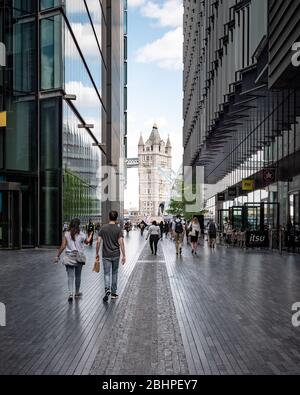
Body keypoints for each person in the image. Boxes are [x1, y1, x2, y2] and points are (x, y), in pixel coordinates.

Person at [55, 218, 93, 302]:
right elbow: (87, 242)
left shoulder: (66, 234)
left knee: (70, 276)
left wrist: (57, 256)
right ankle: (77, 292)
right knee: (78, 276)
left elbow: (63, 246)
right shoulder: (82, 234)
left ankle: (70, 294)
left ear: (71, 224)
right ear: (79, 225)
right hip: (79, 256)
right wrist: (90, 236)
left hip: (69, 257)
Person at [95, 211, 126, 303]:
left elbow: (98, 241)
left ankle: (107, 289)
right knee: (115, 273)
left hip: (106, 255)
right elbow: (121, 242)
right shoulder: (118, 229)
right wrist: (124, 255)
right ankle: (113, 293)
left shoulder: (103, 228)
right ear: (116, 218)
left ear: (109, 217)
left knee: (106, 273)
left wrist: (97, 253)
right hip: (116, 254)